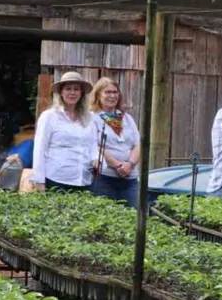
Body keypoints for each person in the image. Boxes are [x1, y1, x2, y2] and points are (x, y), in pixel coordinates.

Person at [31, 71, 98, 193]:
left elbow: (93, 144)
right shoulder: (49, 116)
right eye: (68, 89)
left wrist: (95, 158)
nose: (72, 93)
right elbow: (40, 149)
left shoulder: (89, 118)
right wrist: (39, 180)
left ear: (81, 93)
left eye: (76, 89)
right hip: (56, 180)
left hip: (84, 181)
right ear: (61, 92)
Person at [90, 77, 141, 207]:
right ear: (98, 95)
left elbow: (138, 144)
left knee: (133, 217)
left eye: (115, 92)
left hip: (130, 178)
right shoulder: (93, 118)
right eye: (107, 92)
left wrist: (129, 165)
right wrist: (118, 165)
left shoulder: (127, 118)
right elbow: (95, 145)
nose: (112, 96)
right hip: (105, 178)